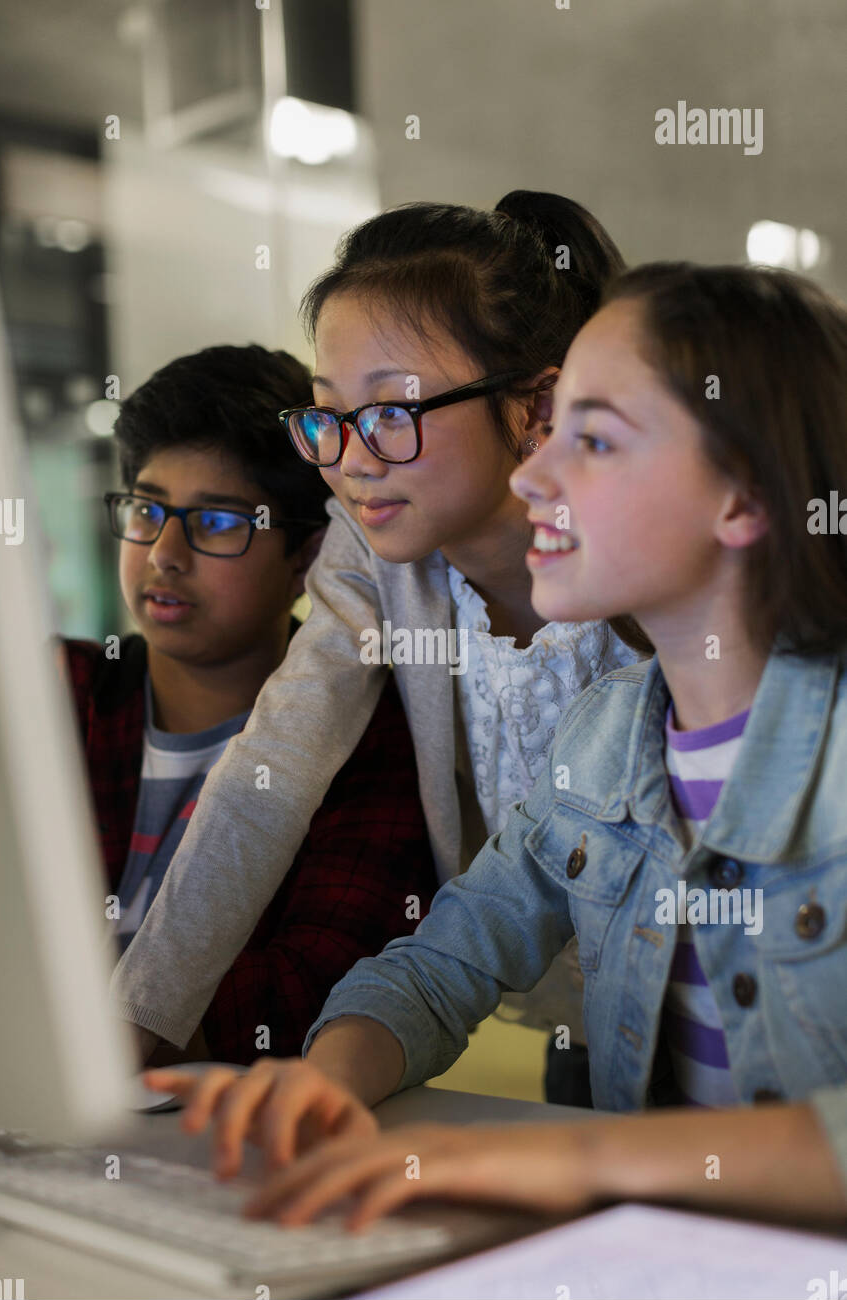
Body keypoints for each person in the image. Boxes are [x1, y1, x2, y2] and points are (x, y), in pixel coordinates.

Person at [148, 264, 847, 1230]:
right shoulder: (605, 740)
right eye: (554, 432)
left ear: (742, 499)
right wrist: (331, 1079)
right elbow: (440, 964)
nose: (533, 475)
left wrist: (576, 1157)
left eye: (593, 440)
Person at [111, 193, 644, 1101]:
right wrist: (136, 1023)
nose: (352, 460)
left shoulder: (648, 561)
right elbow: (272, 770)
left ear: (534, 408)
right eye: (326, 415)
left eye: (393, 413)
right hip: (577, 1028)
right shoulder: (372, 547)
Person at [60, 344, 436, 1065]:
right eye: (146, 509)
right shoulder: (65, 693)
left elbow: (310, 989)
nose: (165, 552)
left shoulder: (372, 740)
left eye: (221, 523)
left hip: (225, 1135)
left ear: (309, 555)